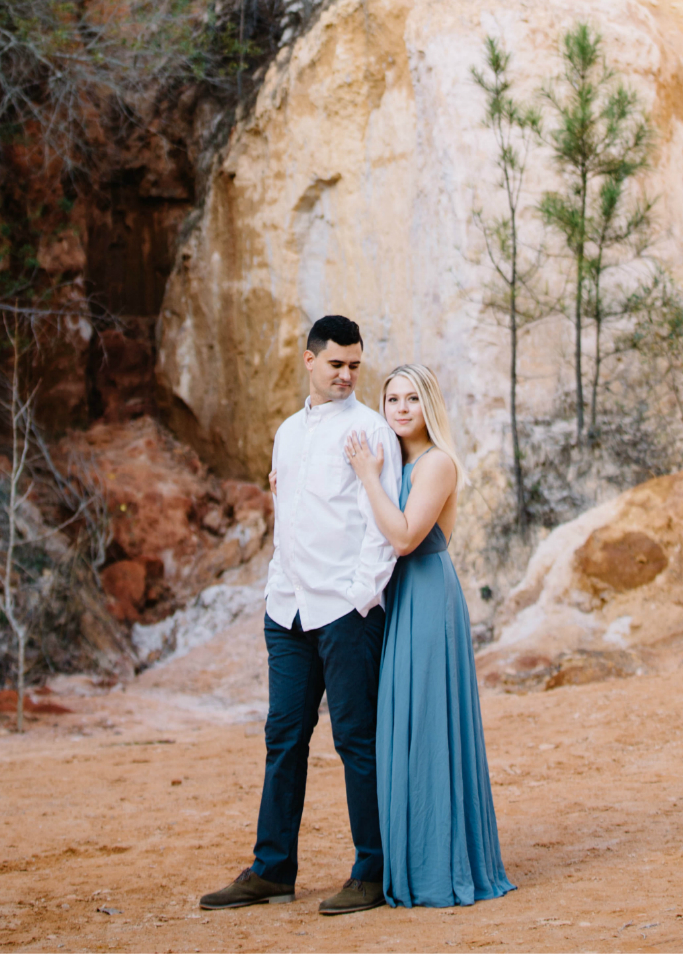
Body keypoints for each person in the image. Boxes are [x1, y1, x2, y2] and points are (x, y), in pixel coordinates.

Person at [200, 314, 400, 917]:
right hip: (287, 610)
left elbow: (379, 526)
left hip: (346, 610)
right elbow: (287, 514)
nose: (346, 374)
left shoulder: (372, 431)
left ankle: (371, 870)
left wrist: (360, 597)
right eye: (336, 363)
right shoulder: (287, 432)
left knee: (355, 741)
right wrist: (273, 590)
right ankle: (272, 870)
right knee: (283, 737)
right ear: (308, 360)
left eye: (355, 365)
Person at [346, 363, 513, 909]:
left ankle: (439, 867)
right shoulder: (400, 460)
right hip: (401, 603)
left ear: (429, 405)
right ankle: (414, 861)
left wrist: (368, 475)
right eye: (391, 398)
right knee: (405, 730)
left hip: (427, 598)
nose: (399, 408)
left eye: (411, 398)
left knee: (430, 728)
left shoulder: (436, 463)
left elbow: (401, 537)